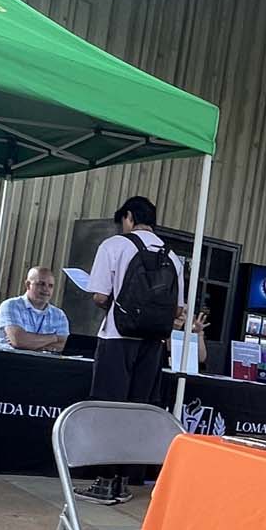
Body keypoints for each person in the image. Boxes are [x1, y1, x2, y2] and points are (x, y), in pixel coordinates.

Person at [82, 197, 184, 503]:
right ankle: (124, 481)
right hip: (152, 343)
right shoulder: (173, 256)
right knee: (138, 409)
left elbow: (100, 296)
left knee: (108, 407)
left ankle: (104, 481)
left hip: (117, 338)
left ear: (128, 217)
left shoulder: (114, 246)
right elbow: (178, 309)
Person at [0, 267, 69, 353]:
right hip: (7, 362)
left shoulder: (59, 315)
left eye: (50, 286)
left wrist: (28, 341)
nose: (46, 289)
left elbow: (61, 346)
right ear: (28, 285)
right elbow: (19, 341)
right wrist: (54, 338)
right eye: (41, 284)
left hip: (41, 364)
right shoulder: (10, 306)